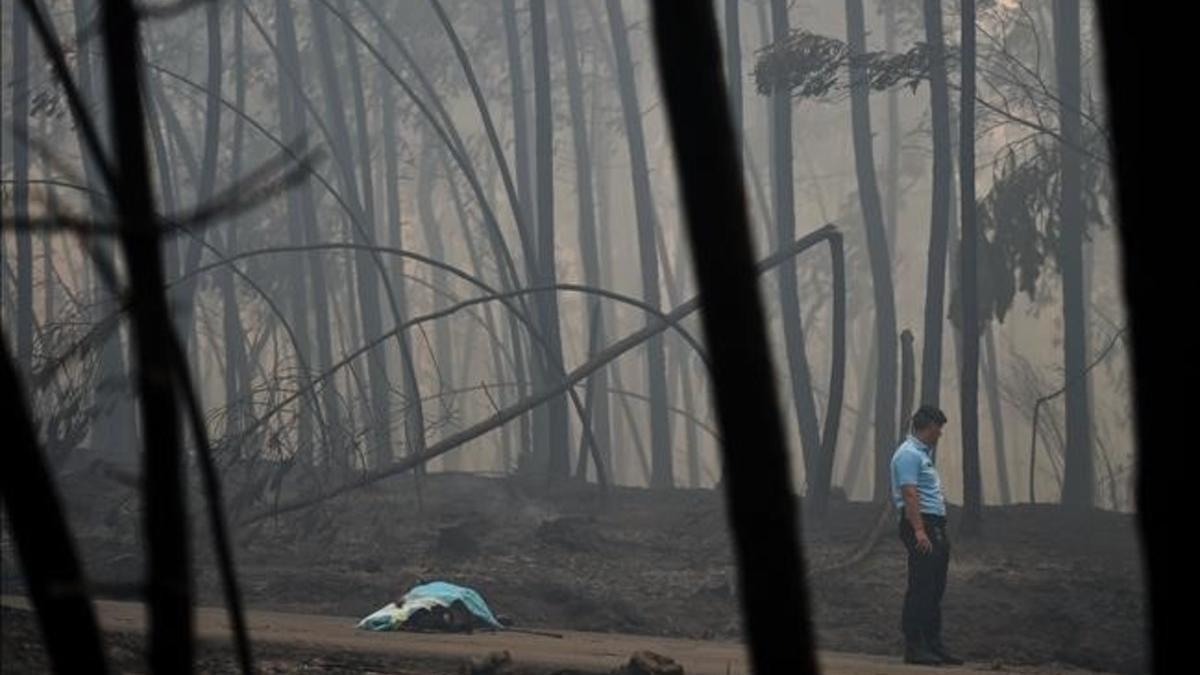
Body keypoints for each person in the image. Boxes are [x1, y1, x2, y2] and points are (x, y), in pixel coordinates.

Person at [890, 405, 964, 666]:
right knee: (921, 586)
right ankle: (914, 646)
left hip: (935, 524)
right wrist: (919, 530)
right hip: (920, 523)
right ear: (926, 426)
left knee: (935, 587)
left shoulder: (922, 454)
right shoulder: (908, 454)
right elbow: (909, 493)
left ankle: (934, 643)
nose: (940, 434)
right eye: (937, 429)